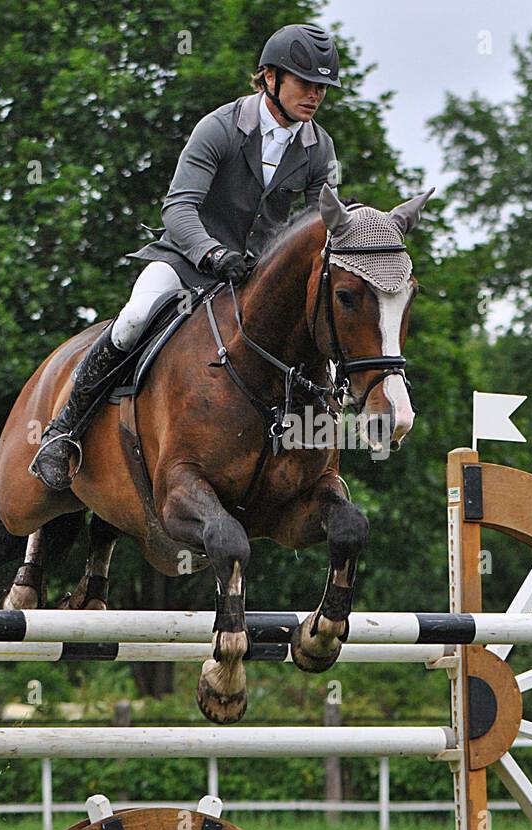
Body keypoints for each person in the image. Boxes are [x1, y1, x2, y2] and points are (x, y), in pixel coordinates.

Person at [30, 23, 342, 490]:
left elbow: (325, 225)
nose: (315, 95)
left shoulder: (320, 149)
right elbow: (179, 207)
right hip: (187, 261)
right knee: (134, 318)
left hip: (256, 279)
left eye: (322, 87)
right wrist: (212, 252)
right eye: (305, 83)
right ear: (271, 78)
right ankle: (64, 431)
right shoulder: (219, 128)